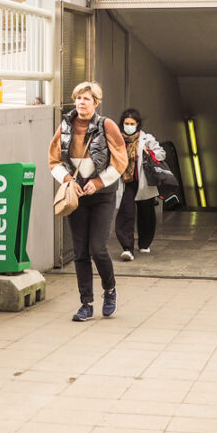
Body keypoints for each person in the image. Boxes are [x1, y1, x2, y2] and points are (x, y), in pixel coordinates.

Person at [48, 81, 128, 321]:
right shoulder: (64, 126)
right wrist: (68, 179)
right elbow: (53, 160)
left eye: (87, 99)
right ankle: (86, 303)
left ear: (96, 103)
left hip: (102, 196)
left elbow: (120, 159)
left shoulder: (107, 126)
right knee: (80, 252)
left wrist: (100, 182)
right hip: (76, 195)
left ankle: (110, 289)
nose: (82, 103)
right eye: (79, 98)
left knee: (97, 248)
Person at [114, 108, 166, 261]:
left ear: (137, 124)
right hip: (127, 182)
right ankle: (127, 248)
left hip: (143, 182)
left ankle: (144, 243)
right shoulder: (117, 139)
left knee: (146, 214)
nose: (129, 126)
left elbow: (162, 153)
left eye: (132, 123)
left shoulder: (146, 138)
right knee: (126, 213)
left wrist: (148, 151)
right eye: (126, 123)